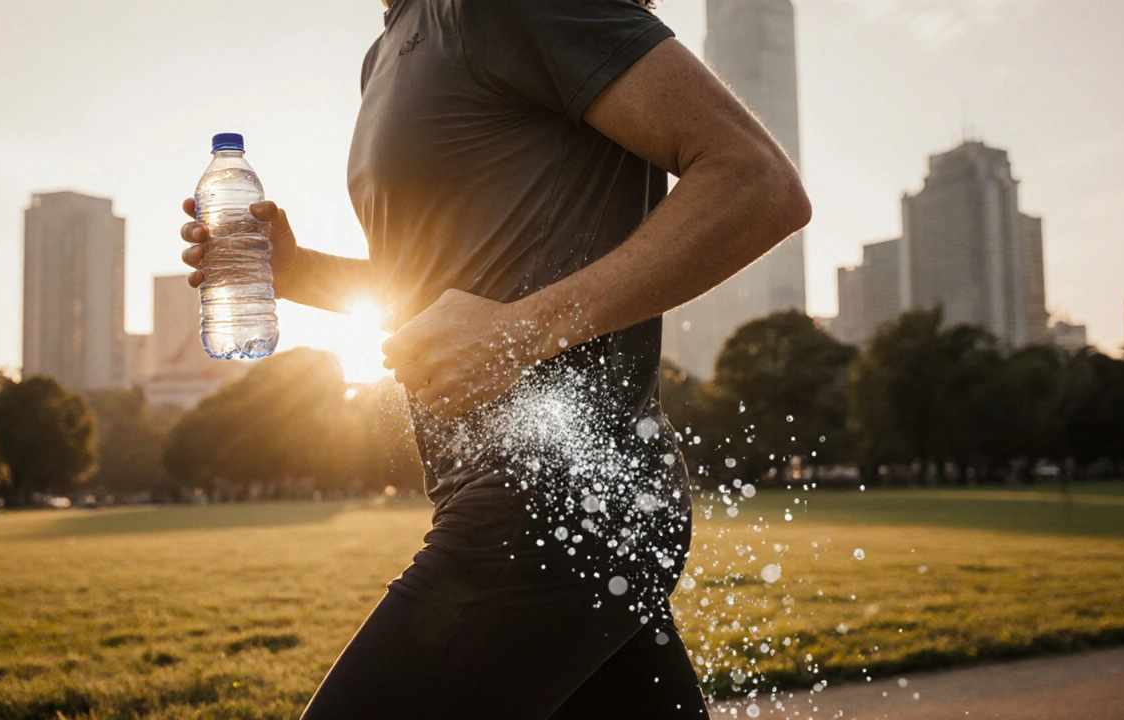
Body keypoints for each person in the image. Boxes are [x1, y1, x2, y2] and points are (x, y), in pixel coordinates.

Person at [179, 0, 810, 716]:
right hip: (525, 502)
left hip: (560, 497)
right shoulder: (385, 53)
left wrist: (522, 331)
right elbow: (440, 295)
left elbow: (758, 181)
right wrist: (300, 272)